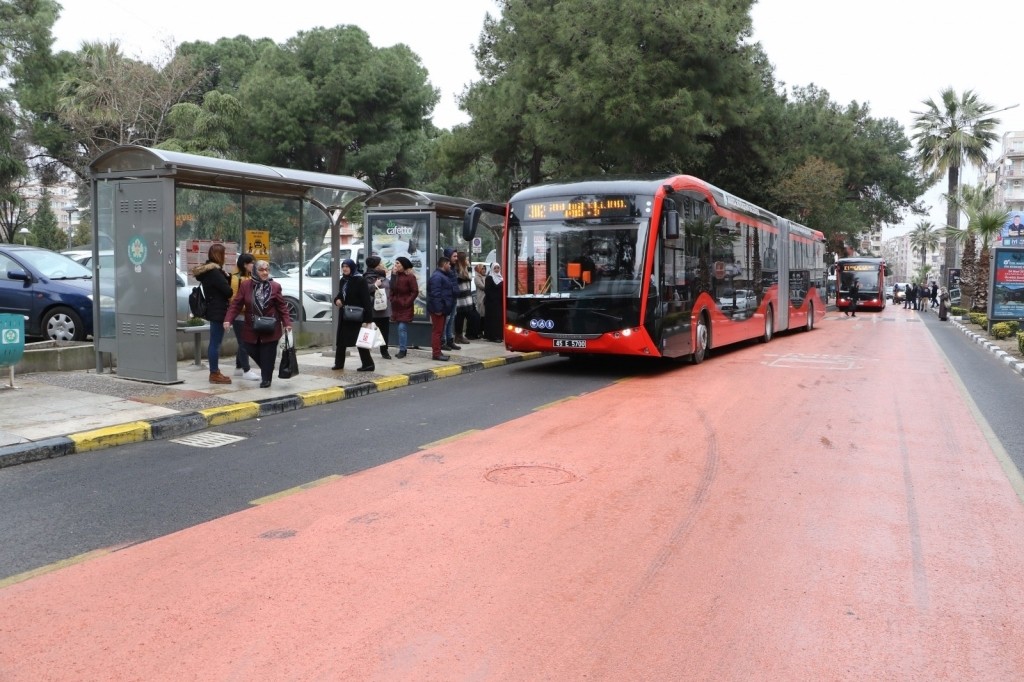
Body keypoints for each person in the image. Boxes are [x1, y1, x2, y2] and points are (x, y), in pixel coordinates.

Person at [223, 260, 293, 388]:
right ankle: (268, 368)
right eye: (261, 270)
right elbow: (236, 304)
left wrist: (286, 322)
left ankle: (266, 378)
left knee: (268, 353)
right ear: (255, 271)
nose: (265, 272)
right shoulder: (245, 285)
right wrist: (228, 319)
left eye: (267, 270)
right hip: (251, 326)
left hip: (271, 326)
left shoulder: (275, 286)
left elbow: (282, 307)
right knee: (248, 347)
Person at [191, 243, 234, 384]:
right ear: (219, 255)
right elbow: (228, 291)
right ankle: (214, 373)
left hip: (213, 309)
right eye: (224, 254)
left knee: (214, 342)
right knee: (215, 342)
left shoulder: (209, 272)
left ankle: (215, 371)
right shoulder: (215, 272)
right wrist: (227, 278)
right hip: (218, 310)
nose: (226, 256)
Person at [332, 258, 375, 372]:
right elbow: (340, 295)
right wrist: (336, 300)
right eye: (343, 266)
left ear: (352, 267)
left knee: (360, 340)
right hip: (345, 315)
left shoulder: (360, 280)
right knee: (341, 341)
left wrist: (368, 320)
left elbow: (366, 300)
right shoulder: (343, 280)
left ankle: (368, 364)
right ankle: (339, 363)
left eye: (347, 266)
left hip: (357, 316)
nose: (345, 269)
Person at [229, 253, 260, 381]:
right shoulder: (236, 279)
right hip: (240, 316)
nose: (254, 265)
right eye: (251, 263)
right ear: (245, 264)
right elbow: (233, 299)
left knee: (242, 342)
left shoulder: (249, 277)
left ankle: (238, 368)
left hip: (247, 315)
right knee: (244, 343)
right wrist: (248, 306)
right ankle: (246, 370)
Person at [363, 255, 392, 360]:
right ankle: (366, 352)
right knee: (371, 331)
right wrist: (375, 284)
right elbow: (365, 290)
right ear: (375, 266)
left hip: (384, 308)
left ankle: (384, 351)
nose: (382, 265)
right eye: (379, 263)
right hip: (373, 308)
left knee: (385, 331)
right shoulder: (367, 276)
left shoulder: (383, 275)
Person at [427, 256, 457, 360]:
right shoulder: (437, 277)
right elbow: (435, 294)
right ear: (444, 264)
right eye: (448, 264)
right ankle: (436, 354)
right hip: (438, 310)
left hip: (443, 309)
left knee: (439, 331)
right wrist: (438, 309)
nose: (450, 266)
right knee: (437, 331)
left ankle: (438, 351)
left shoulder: (443, 275)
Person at [390, 256, 419, 359]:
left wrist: (407, 302)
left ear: (403, 265)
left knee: (402, 328)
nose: (396, 265)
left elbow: (415, 291)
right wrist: (392, 298)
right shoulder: (395, 275)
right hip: (396, 306)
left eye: (398, 263)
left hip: (405, 306)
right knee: (399, 327)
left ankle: (402, 349)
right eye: (395, 263)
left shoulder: (410, 277)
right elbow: (392, 288)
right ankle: (402, 348)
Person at [453, 252, 479, 345]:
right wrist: (466, 269)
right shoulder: (456, 269)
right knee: (460, 317)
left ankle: (462, 335)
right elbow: (464, 277)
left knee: (469, 316)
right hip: (460, 297)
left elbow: (470, 277)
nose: (467, 261)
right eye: (466, 259)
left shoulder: (466, 269)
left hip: (467, 296)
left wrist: (468, 267)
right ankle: (458, 335)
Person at [441, 247, 461, 351]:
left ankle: (450, 340)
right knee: (446, 320)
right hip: (448, 299)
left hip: (453, 298)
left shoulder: (453, 268)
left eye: (456, 256)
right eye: (454, 256)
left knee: (451, 320)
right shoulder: (446, 269)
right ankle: (443, 341)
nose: (456, 258)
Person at [483, 262, 504, 341]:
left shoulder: (501, 278)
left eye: (498, 268)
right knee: (492, 319)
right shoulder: (489, 278)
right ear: (492, 269)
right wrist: (494, 298)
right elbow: (487, 290)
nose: (496, 270)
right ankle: (492, 336)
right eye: (495, 268)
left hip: (499, 302)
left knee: (498, 319)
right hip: (491, 303)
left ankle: (499, 335)